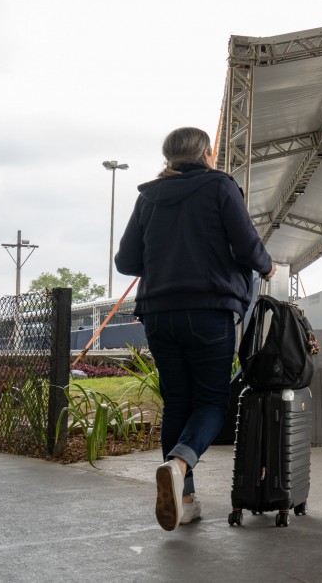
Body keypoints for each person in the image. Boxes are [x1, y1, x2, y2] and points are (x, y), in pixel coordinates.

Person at [116, 126, 276, 531]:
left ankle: (183, 499)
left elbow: (127, 261)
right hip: (208, 309)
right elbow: (245, 244)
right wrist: (267, 265)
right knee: (210, 402)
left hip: (158, 314)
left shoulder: (148, 196)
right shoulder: (220, 187)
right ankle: (180, 463)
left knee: (177, 403)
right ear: (207, 152)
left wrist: (168, 256)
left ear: (169, 158)